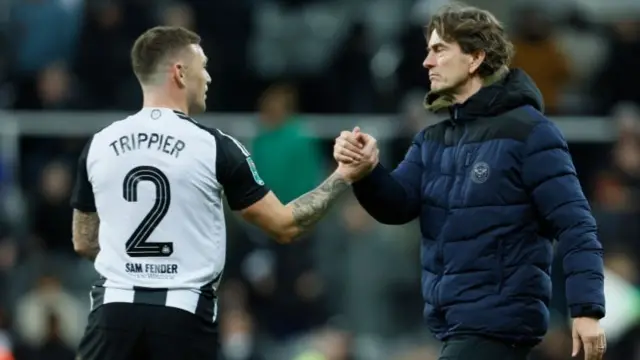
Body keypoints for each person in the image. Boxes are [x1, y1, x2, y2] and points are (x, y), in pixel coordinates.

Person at [70, 26, 371, 360]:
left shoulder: (100, 144)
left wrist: (134, 268)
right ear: (180, 73)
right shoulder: (214, 147)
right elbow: (286, 224)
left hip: (113, 312)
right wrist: (344, 176)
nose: (209, 77)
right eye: (204, 66)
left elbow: (83, 241)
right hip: (181, 317)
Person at [333, 5, 606, 360]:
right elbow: (397, 204)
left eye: (439, 50)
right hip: (455, 327)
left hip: (498, 327)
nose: (426, 62)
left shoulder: (530, 133)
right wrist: (367, 170)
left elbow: (576, 225)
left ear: (476, 58)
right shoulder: (433, 140)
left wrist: (586, 310)